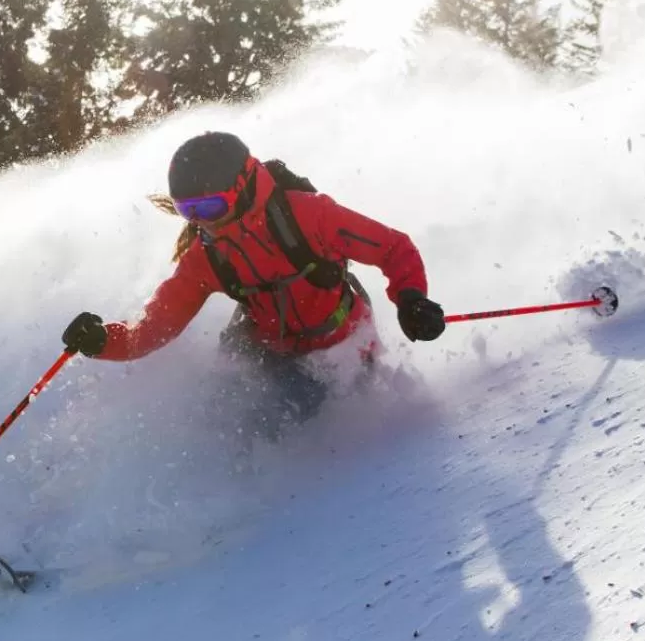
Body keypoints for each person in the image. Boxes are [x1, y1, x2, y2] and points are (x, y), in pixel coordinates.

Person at [61, 131, 445, 429]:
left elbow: (393, 248)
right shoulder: (205, 256)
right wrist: (102, 340)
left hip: (341, 341)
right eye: (187, 211)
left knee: (333, 411)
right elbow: (153, 329)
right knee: (230, 417)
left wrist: (412, 300)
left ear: (244, 185)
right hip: (267, 351)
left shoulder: (309, 216)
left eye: (210, 207)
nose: (201, 221)